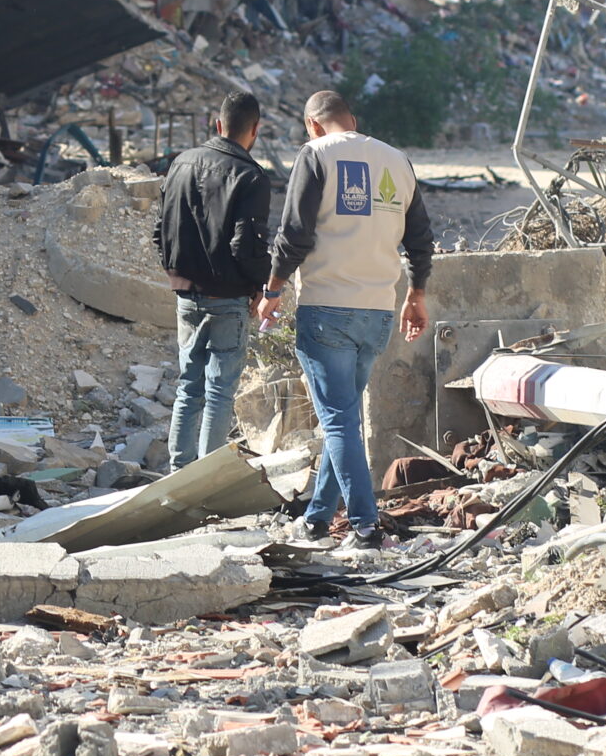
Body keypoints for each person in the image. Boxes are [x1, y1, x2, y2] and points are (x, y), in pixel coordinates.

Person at [256, 90, 434, 550]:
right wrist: (415, 295)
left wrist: (273, 289)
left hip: (328, 308)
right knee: (344, 420)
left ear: (312, 125)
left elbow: (294, 233)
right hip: (377, 311)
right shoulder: (397, 160)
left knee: (337, 422)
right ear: (352, 120)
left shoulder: (315, 154)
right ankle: (317, 519)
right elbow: (419, 239)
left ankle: (365, 527)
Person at [154, 91, 273, 468]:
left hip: (185, 294)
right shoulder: (251, 176)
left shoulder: (180, 163)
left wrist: (175, 272)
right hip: (228, 298)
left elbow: (160, 230)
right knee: (219, 393)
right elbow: (246, 245)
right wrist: (263, 286)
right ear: (255, 129)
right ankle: (206, 478)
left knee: (189, 388)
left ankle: (178, 473)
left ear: (218, 124)